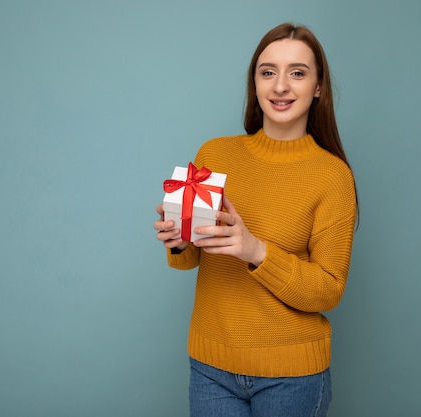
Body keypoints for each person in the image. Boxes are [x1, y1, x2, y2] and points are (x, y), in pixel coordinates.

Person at [153, 22, 357, 417]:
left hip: (292, 378)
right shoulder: (216, 153)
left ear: (318, 87)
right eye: (268, 72)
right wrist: (177, 236)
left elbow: (329, 290)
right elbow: (190, 257)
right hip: (211, 368)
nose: (280, 86)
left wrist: (256, 250)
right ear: (255, 84)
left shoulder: (332, 176)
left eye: (297, 72)